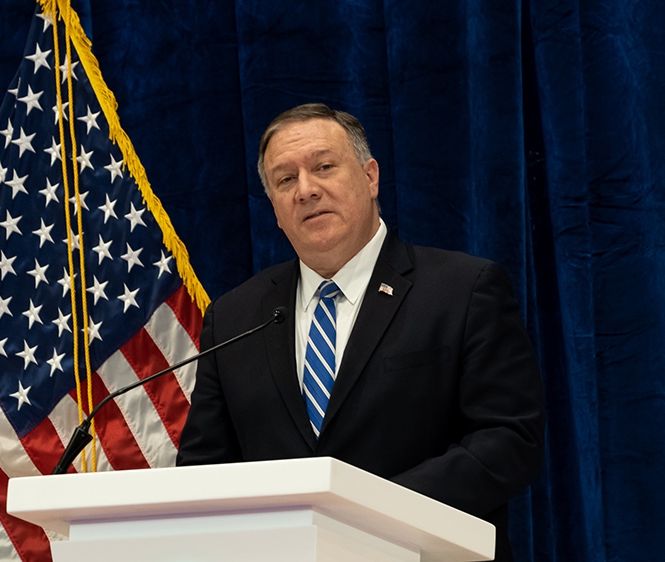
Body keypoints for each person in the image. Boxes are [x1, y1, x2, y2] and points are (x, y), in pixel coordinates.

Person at [177, 103, 545, 561]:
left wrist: (366, 516)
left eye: (324, 167)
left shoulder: (462, 290)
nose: (306, 190)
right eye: (286, 180)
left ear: (370, 178)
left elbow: (509, 439)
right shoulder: (235, 317)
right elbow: (203, 470)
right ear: (274, 208)